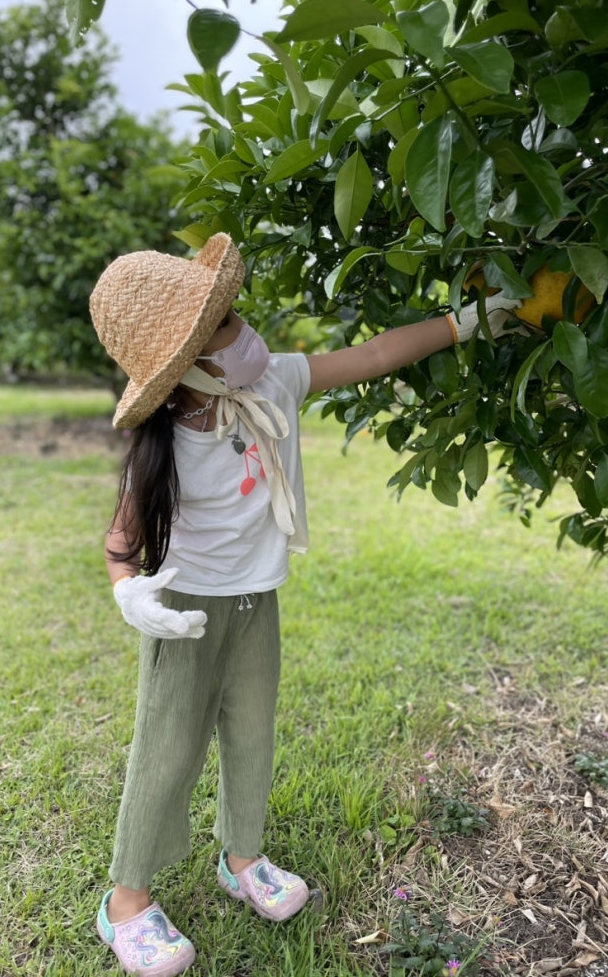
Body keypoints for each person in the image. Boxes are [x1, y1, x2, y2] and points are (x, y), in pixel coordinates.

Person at [88, 233, 519, 976]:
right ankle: (126, 900)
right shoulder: (162, 446)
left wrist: (465, 323)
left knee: (252, 734)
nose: (243, 332)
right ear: (183, 365)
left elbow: (374, 354)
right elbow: (120, 545)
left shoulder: (276, 381)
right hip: (186, 611)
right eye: (222, 327)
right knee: (167, 752)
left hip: (256, 603)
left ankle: (243, 857)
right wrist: (131, 594)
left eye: (231, 314)